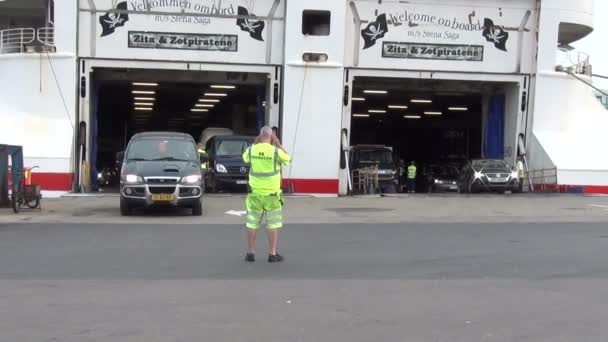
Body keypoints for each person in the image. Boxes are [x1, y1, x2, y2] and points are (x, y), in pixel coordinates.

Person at [242, 126, 291, 263]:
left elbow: (245, 158)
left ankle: (250, 253)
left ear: (259, 136)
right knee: (273, 225)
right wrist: (279, 145)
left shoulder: (252, 150)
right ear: (271, 137)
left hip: (255, 195)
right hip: (272, 195)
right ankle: (272, 254)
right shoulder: (275, 151)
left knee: (252, 224)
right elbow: (288, 159)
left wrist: (255, 143)